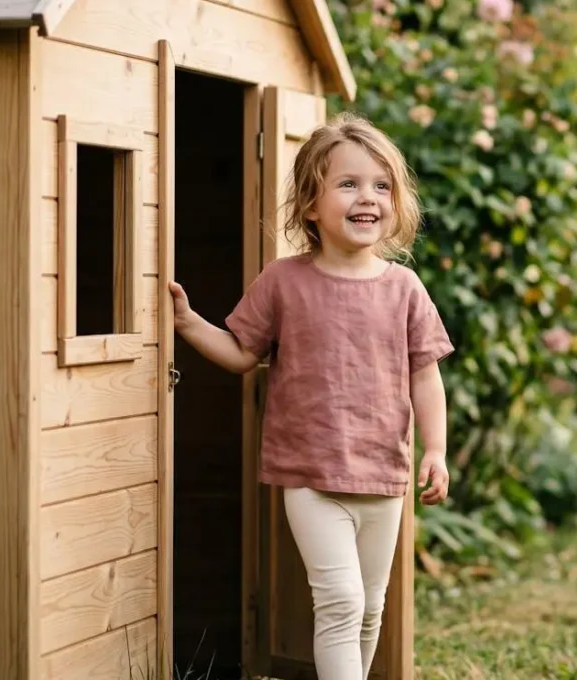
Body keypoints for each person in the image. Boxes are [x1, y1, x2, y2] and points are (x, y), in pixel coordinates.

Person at [168, 112, 454, 679]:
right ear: (310, 205)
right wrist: (188, 324)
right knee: (341, 602)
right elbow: (243, 352)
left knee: (369, 610)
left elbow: (426, 374)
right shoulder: (284, 280)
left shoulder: (404, 289)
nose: (366, 197)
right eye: (347, 184)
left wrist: (435, 450)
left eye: (380, 185)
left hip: (383, 476)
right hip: (309, 477)